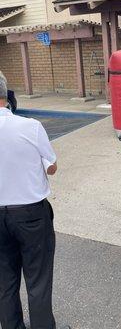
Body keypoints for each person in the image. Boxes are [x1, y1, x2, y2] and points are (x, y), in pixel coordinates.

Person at [0, 77, 70, 329]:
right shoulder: (30, 126)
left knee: (5, 281)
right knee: (37, 280)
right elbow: (51, 167)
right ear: (6, 95)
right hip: (30, 214)